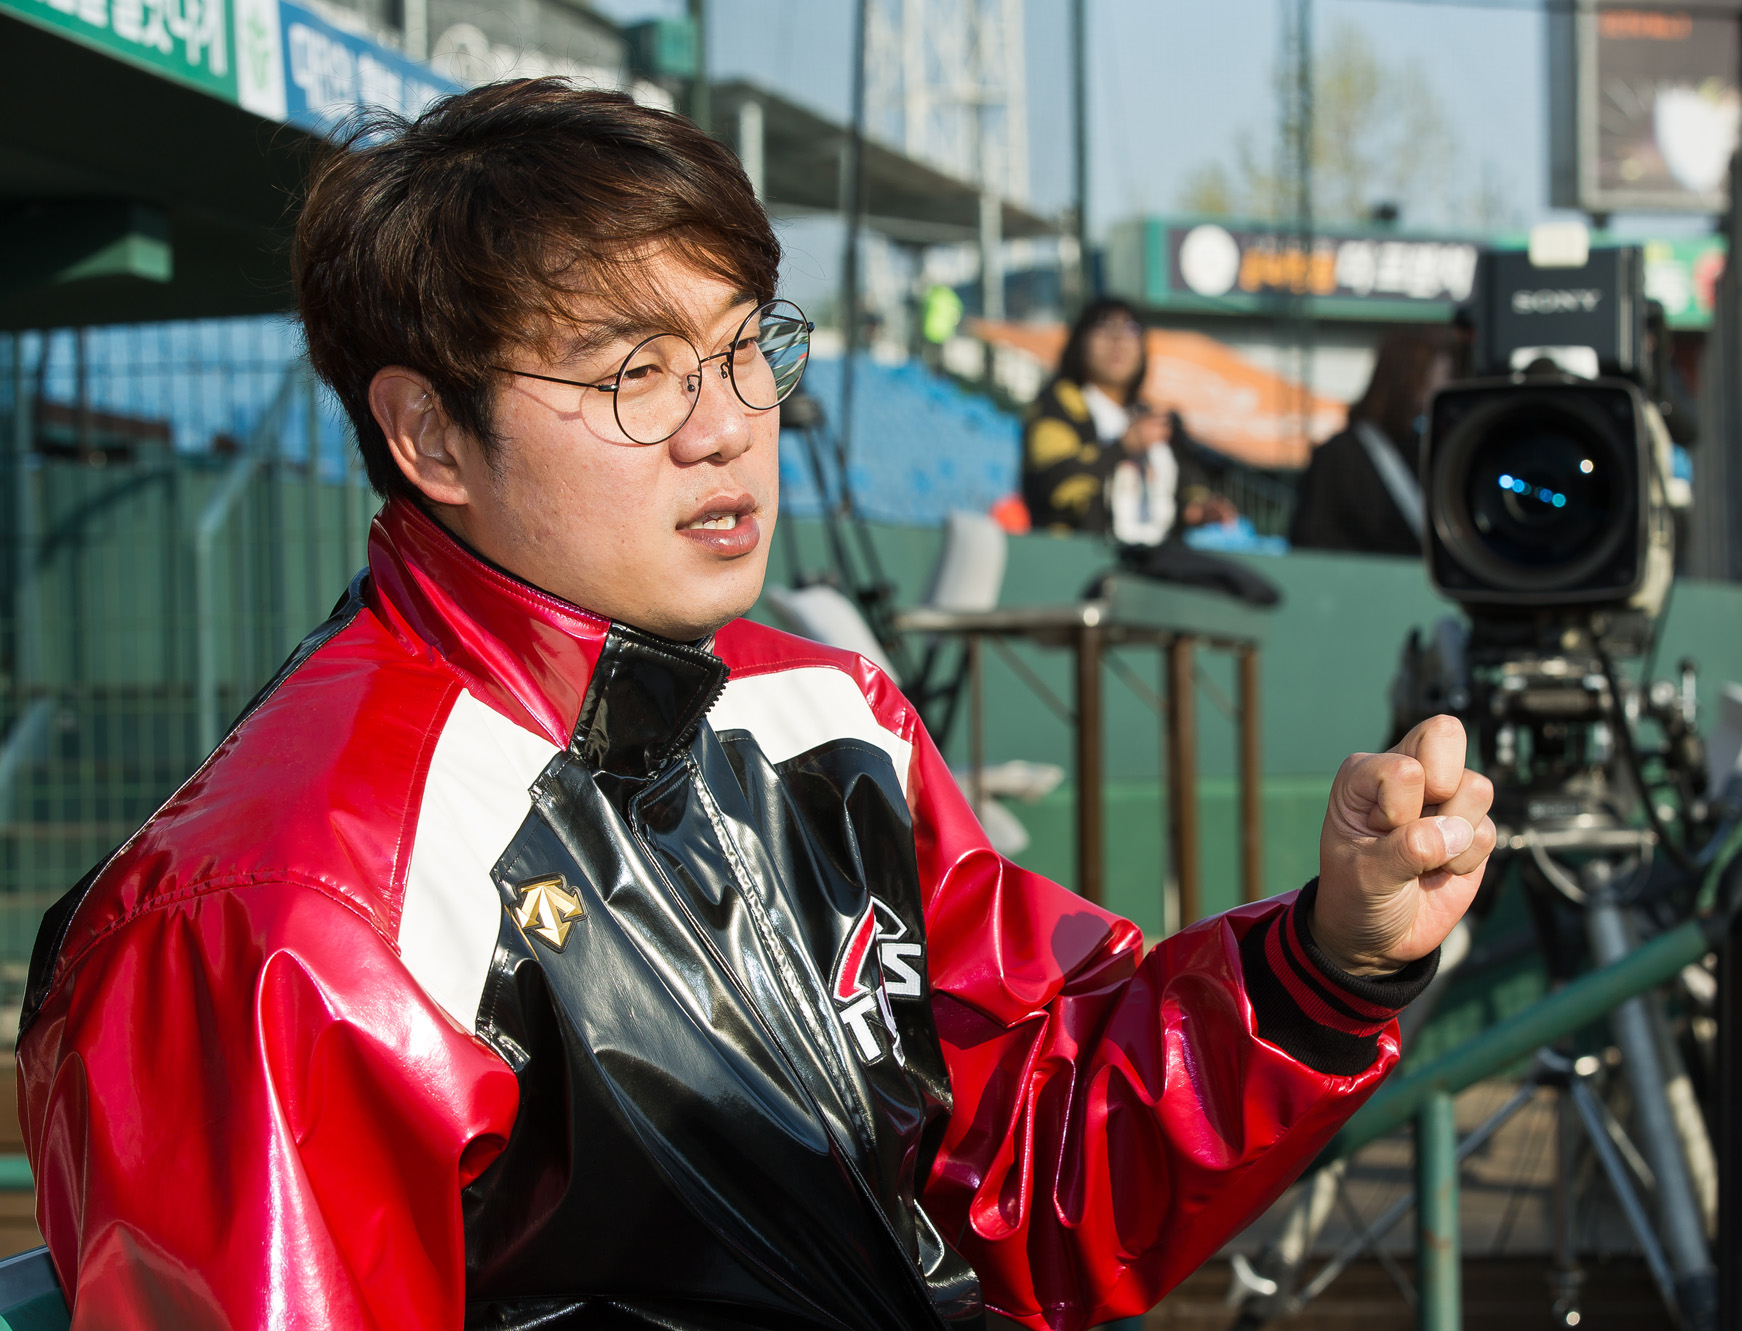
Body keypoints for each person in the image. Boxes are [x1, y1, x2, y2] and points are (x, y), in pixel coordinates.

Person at [15, 81, 1495, 1331]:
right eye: (635, 374)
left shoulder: (821, 712)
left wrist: (1323, 964)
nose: (728, 422)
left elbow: (1024, 1170)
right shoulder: (284, 914)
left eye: (743, 346)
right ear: (428, 434)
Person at [1020, 298, 1235, 542]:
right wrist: (1123, 447)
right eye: (1103, 328)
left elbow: (1187, 482)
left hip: (1153, 564)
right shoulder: (1057, 405)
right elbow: (1053, 483)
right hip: (1080, 564)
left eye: (1130, 329)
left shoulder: (1151, 416)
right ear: (1080, 341)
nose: (1117, 341)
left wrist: (1196, 509)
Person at [1289, 327, 1455, 555]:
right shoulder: (1341, 455)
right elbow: (1312, 538)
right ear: (1413, 378)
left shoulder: (1427, 448)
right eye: (1442, 375)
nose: (1446, 386)